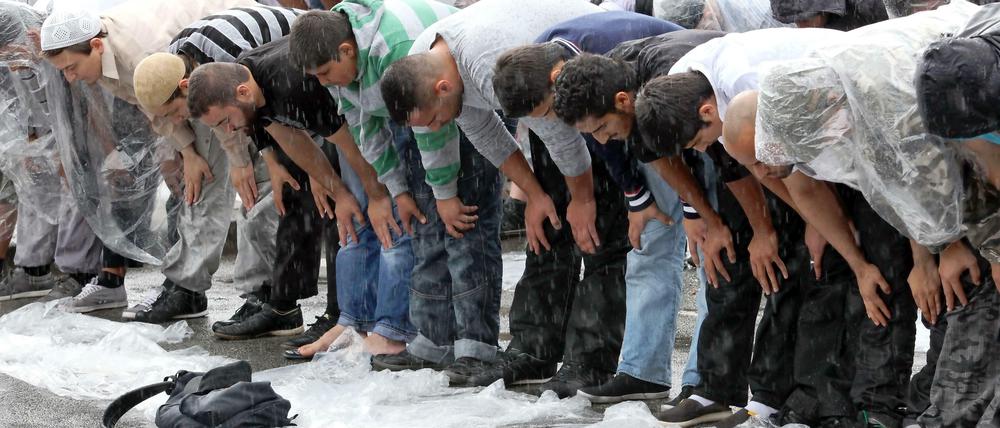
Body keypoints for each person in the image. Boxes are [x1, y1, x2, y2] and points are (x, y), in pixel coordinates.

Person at [376, 0, 606, 387]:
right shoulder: (426, 60)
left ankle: (593, 362)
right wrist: (534, 194)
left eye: (433, 119)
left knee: (597, 233)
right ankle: (536, 351)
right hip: (550, 98)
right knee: (549, 227)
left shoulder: (486, 66)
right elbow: (486, 134)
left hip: (595, 81)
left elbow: (561, 136)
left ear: (442, 88)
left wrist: (583, 200)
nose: (433, 129)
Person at [482, 11, 682, 400]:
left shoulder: (597, 69)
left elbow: (605, 136)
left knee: (640, 238)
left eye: (549, 113)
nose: (554, 121)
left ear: (557, 81)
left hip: (667, 112)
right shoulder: (545, 64)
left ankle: (621, 365)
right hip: (628, 119)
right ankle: (613, 363)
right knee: (617, 230)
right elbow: (596, 136)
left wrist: (627, 196)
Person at [38, 0, 257, 317]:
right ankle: (181, 282)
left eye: (71, 68)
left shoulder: (141, 53)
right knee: (186, 182)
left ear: (96, 45)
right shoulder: (104, 61)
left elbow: (215, 101)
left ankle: (190, 290)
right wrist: (183, 150)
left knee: (207, 183)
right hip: (189, 81)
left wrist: (236, 159)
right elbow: (152, 106)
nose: (70, 78)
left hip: (225, 66)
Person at [286, 0, 465, 360]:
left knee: (419, 223)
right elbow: (365, 128)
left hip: (453, 101)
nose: (322, 83)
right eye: (316, 77)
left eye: (324, 73)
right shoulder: (343, 63)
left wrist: (442, 191)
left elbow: (430, 127)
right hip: (410, 107)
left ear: (346, 50)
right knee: (386, 217)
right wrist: (391, 190)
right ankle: (362, 323)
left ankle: (401, 332)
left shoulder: (394, 50)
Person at [185, 37, 384, 340]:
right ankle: (286, 307)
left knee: (338, 209)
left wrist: (369, 194)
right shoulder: (248, 80)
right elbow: (290, 139)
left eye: (225, 121)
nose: (229, 131)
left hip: (364, 111)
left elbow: (345, 142)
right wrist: (323, 183)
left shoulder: (290, 83)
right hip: (324, 119)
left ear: (242, 92)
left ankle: (341, 313)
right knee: (306, 191)